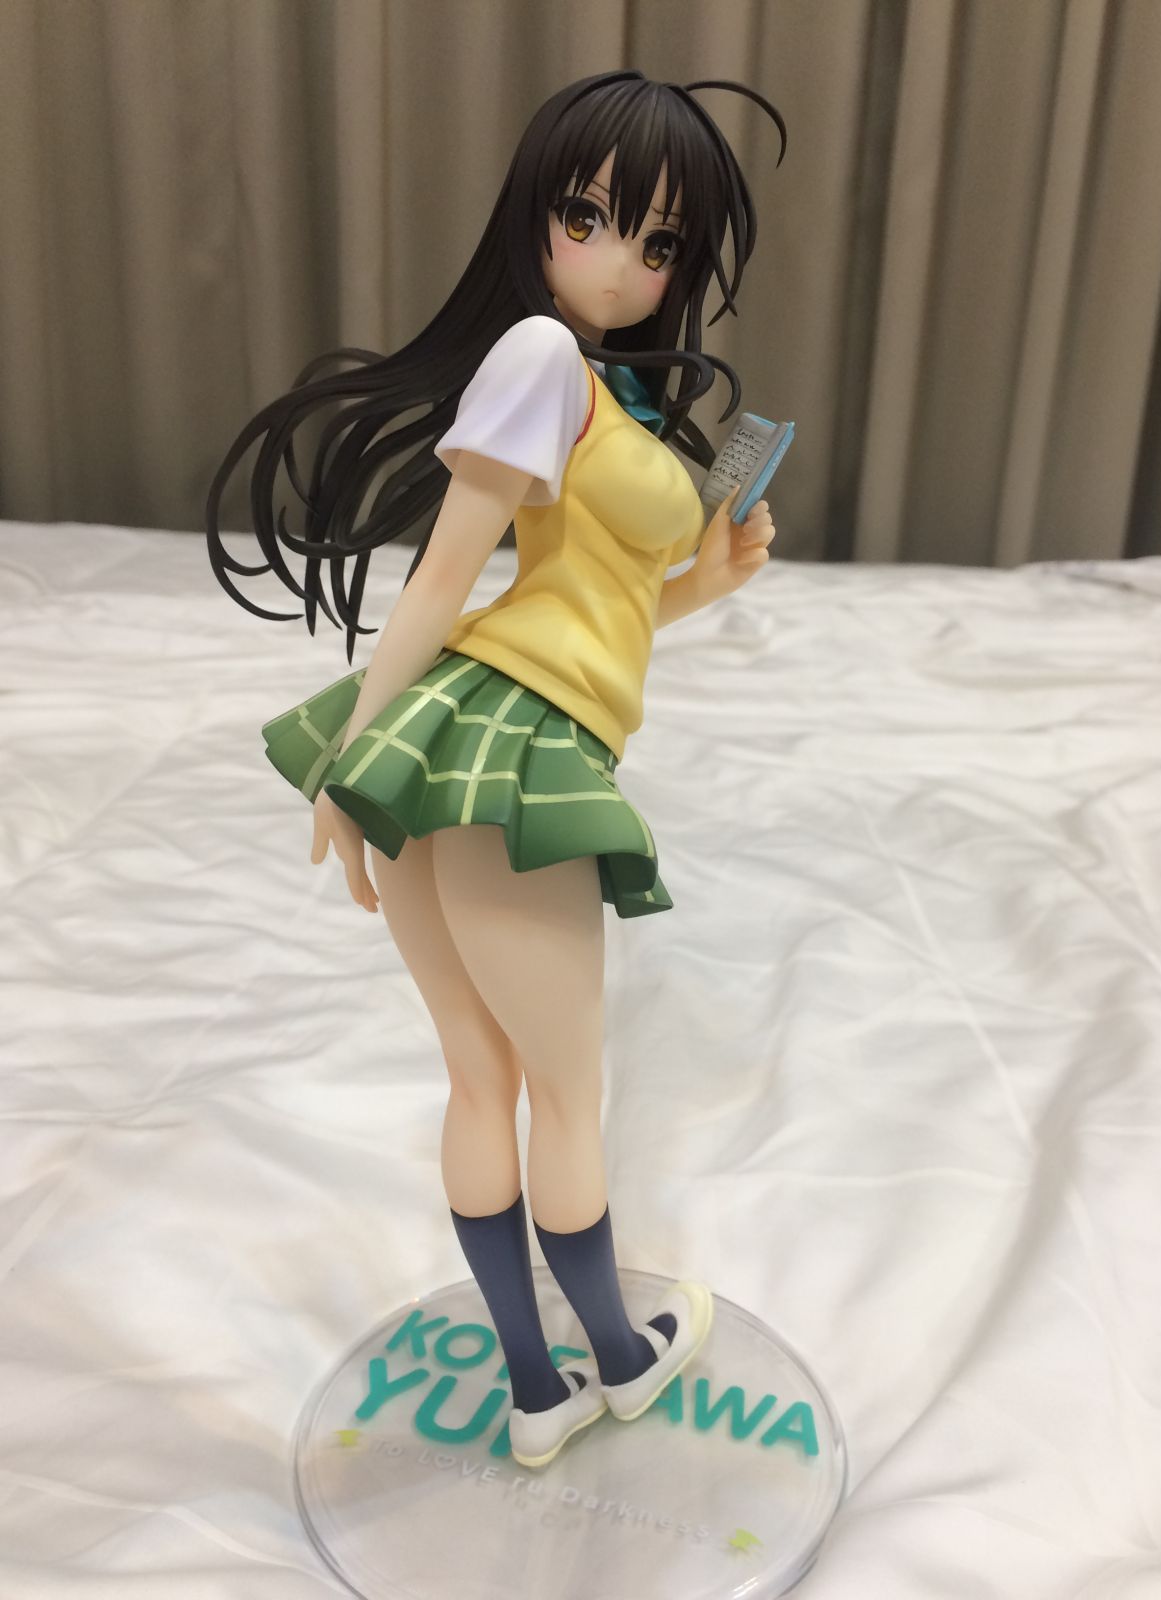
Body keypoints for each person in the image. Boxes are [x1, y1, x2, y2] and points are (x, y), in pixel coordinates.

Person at [206, 69, 784, 1470]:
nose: (621, 263)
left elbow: (596, 611)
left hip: (476, 734)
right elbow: (442, 576)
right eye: (590, 217)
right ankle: (615, 1367)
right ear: (535, 216)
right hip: (512, 747)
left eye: (659, 243)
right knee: (563, 1097)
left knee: (482, 1079)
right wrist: (350, 763)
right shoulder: (538, 354)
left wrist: (704, 581)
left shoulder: (597, 390)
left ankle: (538, 1388)